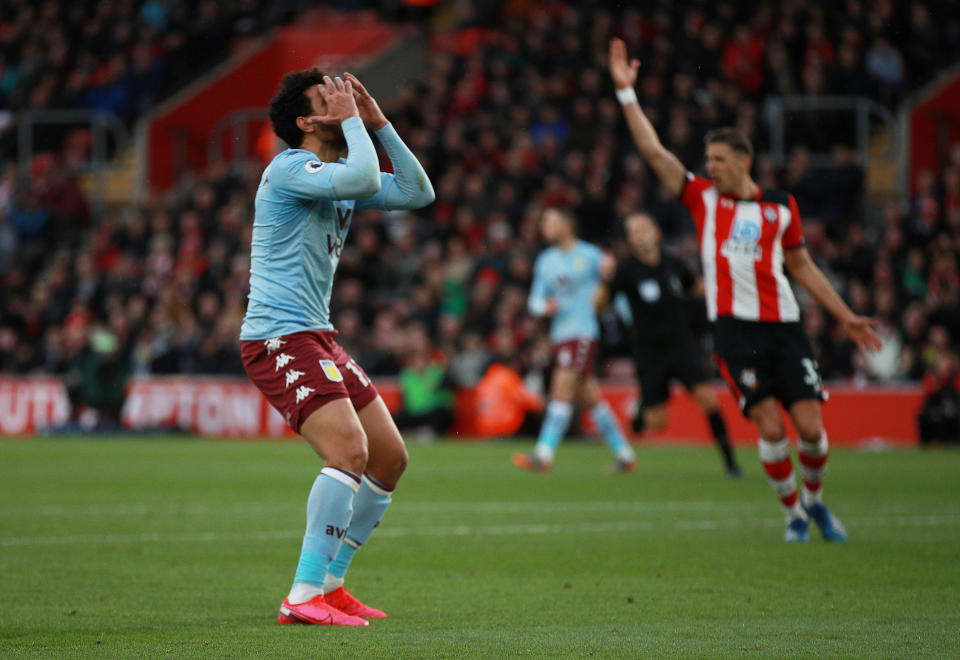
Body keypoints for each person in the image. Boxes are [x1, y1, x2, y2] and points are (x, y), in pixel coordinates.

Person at [608, 38, 881, 542]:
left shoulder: (780, 207)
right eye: (707, 159)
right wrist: (627, 95)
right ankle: (793, 515)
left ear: (743, 160)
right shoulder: (702, 199)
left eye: (718, 159)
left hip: (785, 327)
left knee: (812, 431)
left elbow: (802, 266)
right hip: (735, 332)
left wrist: (844, 315)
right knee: (772, 430)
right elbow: (653, 151)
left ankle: (817, 503)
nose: (709, 166)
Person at [239, 70, 434, 625]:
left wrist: (378, 123)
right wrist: (356, 124)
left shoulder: (338, 170)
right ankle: (302, 595)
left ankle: (330, 582)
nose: (342, 96)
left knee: (390, 457)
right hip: (278, 336)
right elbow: (363, 176)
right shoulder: (291, 168)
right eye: (329, 96)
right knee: (348, 453)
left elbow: (419, 192)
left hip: (316, 334)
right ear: (306, 122)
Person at [597, 211, 743, 478]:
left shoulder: (674, 263)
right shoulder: (625, 270)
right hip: (649, 352)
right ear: (629, 240)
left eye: (644, 228)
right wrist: (605, 279)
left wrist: (717, 281)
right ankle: (642, 410)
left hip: (682, 345)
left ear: (657, 233)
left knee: (708, 399)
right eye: (634, 231)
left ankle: (731, 464)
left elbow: (695, 290)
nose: (640, 234)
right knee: (657, 424)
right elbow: (600, 305)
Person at [512, 207, 638, 473]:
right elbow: (535, 300)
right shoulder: (546, 260)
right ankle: (625, 455)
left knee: (561, 389)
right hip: (561, 334)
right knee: (592, 398)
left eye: (551, 221)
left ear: (567, 226)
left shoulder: (591, 256)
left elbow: (614, 291)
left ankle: (543, 454)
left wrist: (631, 317)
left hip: (583, 332)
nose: (545, 226)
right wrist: (543, 307)